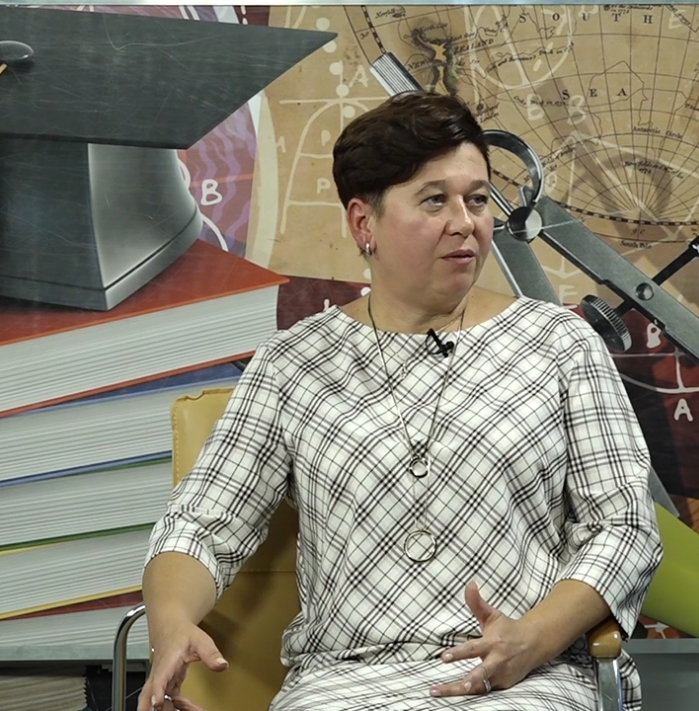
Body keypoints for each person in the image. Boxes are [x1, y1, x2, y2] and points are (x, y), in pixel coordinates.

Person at [138, 91, 663, 711]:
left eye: (477, 199)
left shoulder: (558, 344)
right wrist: (171, 621)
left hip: (527, 676)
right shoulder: (294, 363)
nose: (464, 222)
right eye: (435, 200)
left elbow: (624, 527)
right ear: (364, 224)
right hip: (342, 681)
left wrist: (534, 637)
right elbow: (203, 523)